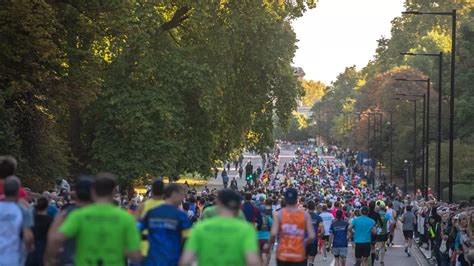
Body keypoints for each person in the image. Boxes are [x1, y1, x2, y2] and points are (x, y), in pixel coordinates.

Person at [47, 173, 141, 266]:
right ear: (113, 192)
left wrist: (51, 260)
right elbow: (134, 254)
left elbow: (57, 239)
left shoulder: (79, 215)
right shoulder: (125, 218)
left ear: (93, 191)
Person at [179, 189, 260, 266]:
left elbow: (185, 261)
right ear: (238, 206)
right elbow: (253, 261)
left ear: (218, 203)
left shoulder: (200, 228)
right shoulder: (247, 230)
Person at [139, 183, 192, 266]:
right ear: (174, 194)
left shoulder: (152, 212)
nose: (183, 198)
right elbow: (187, 240)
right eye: (182, 195)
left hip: (151, 260)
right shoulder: (180, 216)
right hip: (172, 260)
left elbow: (138, 230)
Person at [46, 175, 93, 266]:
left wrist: (50, 259)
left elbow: (54, 239)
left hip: (69, 260)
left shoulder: (66, 213)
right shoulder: (103, 214)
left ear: (76, 193)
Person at [266, 188, 315, 266]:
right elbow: (312, 236)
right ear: (296, 200)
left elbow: (273, 233)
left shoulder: (279, 214)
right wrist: (304, 243)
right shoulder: (305, 215)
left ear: (286, 199)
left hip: (283, 255)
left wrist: (268, 244)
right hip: (299, 255)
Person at [0, 176, 34, 266]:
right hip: (12, 258)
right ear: (18, 192)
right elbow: (28, 237)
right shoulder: (23, 210)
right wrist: (30, 247)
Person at [135, 179, 165, 258]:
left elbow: (135, 226)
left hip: (144, 247)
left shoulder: (142, 206)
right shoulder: (168, 207)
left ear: (152, 191)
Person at [26, 197, 53, 266]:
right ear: (47, 206)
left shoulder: (30, 219)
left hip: (30, 245)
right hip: (44, 247)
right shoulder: (50, 220)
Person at [306, 200, 324, 266]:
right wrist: (318, 235)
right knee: (311, 259)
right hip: (313, 240)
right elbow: (322, 231)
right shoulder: (318, 218)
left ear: (307, 207)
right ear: (314, 207)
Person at [258, 199, 273, 266]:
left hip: (257, 238)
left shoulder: (257, 218)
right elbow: (272, 226)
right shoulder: (268, 218)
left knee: (259, 254)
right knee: (264, 254)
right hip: (266, 237)